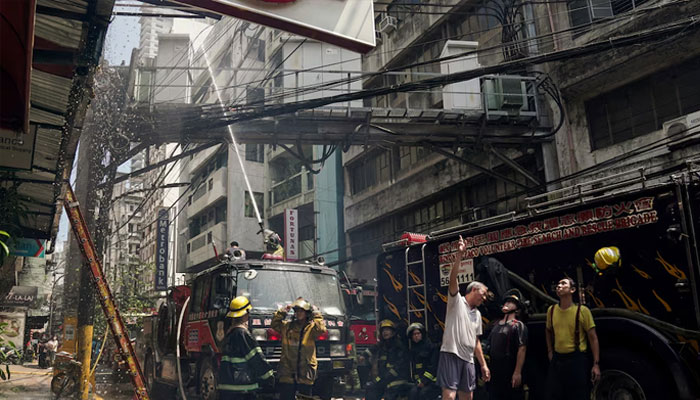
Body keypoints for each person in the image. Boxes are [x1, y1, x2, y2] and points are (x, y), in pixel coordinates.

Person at [437, 235, 490, 400]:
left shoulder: (478, 314)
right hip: (451, 353)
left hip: (468, 359)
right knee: (450, 396)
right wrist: (459, 255)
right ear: (473, 289)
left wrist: (483, 365)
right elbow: (452, 280)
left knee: (468, 397)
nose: (485, 298)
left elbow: (476, 341)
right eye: (483, 293)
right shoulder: (456, 301)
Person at [545, 277, 600, 400]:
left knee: (578, 396)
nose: (559, 286)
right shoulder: (551, 310)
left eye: (563, 283)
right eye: (558, 283)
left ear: (572, 289)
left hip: (576, 361)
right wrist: (550, 351)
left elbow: (593, 338)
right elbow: (548, 331)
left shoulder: (582, 311)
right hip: (557, 360)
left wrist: (596, 364)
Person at [218, 296, 274, 400]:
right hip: (243, 389)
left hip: (226, 388)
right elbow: (256, 358)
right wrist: (269, 376)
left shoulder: (229, 334)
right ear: (245, 314)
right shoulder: (243, 334)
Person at [271, 297, 326, 400]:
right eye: (296, 311)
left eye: (301, 311)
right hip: (287, 371)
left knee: (304, 397)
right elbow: (274, 324)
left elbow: (321, 329)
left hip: (305, 372)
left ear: (307, 313)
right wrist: (283, 311)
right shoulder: (287, 327)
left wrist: (316, 313)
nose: (298, 313)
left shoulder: (311, 329)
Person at [487, 289, 528, 400]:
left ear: (517, 309)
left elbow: (522, 349)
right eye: (506, 302)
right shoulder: (495, 324)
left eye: (511, 302)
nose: (507, 304)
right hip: (495, 370)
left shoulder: (518, 325)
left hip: (509, 368)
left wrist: (517, 372)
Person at [365, 319, 411, 400]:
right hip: (383, 377)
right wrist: (363, 355)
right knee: (371, 387)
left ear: (393, 332)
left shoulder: (399, 346)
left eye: (387, 330)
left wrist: (385, 378)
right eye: (383, 331)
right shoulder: (383, 345)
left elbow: (400, 366)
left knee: (390, 391)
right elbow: (373, 348)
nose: (385, 332)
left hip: (398, 379)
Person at [407, 322, 440, 400]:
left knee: (424, 394)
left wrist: (424, 381)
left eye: (418, 333)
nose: (416, 336)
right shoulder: (413, 350)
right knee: (412, 393)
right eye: (414, 334)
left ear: (422, 334)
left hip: (433, 382)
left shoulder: (431, 347)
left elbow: (433, 367)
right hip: (419, 382)